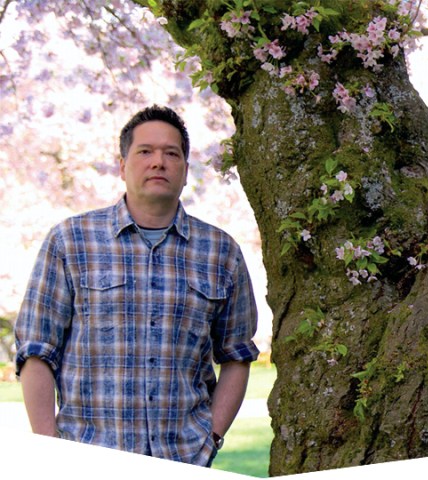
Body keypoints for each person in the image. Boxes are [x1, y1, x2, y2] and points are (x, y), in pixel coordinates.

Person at [14, 104, 260, 466]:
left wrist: (212, 437)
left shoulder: (221, 252)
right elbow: (37, 351)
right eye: (145, 151)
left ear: (186, 170)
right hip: (88, 460)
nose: (158, 162)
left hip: (184, 458)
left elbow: (236, 355)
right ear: (122, 165)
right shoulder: (70, 241)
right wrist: (51, 450)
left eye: (171, 153)